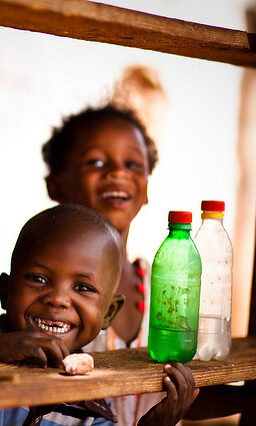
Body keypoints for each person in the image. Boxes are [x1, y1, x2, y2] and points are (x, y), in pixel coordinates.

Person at [0, 204, 198, 426]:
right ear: (6, 291)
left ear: (109, 313)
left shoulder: (92, 406)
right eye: (38, 279)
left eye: (83, 288)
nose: (58, 299)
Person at [42, 105, 162, 424]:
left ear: (146, 186)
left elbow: (184, 389)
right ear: (56, 185)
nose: (117, 173)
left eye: (133, 164)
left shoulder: (164, 287)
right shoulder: (49, 287)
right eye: (96, 162)